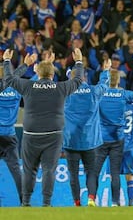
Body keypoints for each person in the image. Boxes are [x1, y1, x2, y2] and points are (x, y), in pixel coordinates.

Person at [3, 48, 84, 207]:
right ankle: (46, 203)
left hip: (31, 135)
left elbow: (9, 79)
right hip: (53, 136)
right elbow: (78, 80)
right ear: (53, 75)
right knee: (48, 170)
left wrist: (7, 61)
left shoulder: (28, 86)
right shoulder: (61, 88)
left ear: (37, 74)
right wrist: (79, 62)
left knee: (29, 170)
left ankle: (26, 202)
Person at [92, 69, 133, 207]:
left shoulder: (102, 97)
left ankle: (94, 199)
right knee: (129, 176)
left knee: (113, 173)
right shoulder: (128, 100)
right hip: (128, 145)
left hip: (110, 140)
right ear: (118, 80)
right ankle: (129, 203)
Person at [63, 58, 112, 207]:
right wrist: (106, 71)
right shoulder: (93, 91)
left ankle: (77, 202)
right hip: (90, 141)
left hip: (71, 141)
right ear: (84, 77)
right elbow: (104, 85)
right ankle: (91, 198)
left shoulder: (65, 92)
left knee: (73, 175)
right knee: (91, 172)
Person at [0, 57, 36, 205]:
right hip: (9, 135)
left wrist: (24, 64)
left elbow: (10, 79)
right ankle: (25, 201)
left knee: (16, 171)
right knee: (16, 171)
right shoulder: (16, 89)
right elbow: (33, 82)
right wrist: (33, 68)